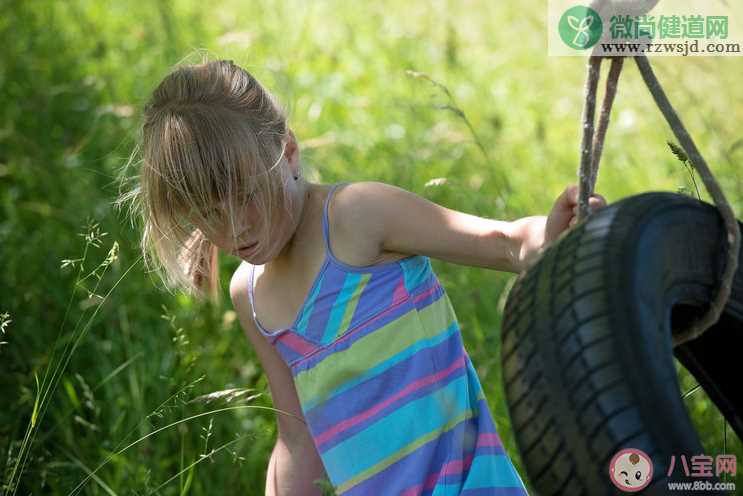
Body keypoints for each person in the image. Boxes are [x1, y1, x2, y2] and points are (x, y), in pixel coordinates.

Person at [123, 58, 607, 495]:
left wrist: (549, 235)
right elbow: (296, 438)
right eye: (207, 213)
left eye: (245, 194)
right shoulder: (251, 295)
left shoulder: (357, 217)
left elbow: (502, 244)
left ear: (287, 151)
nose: (234, 228)